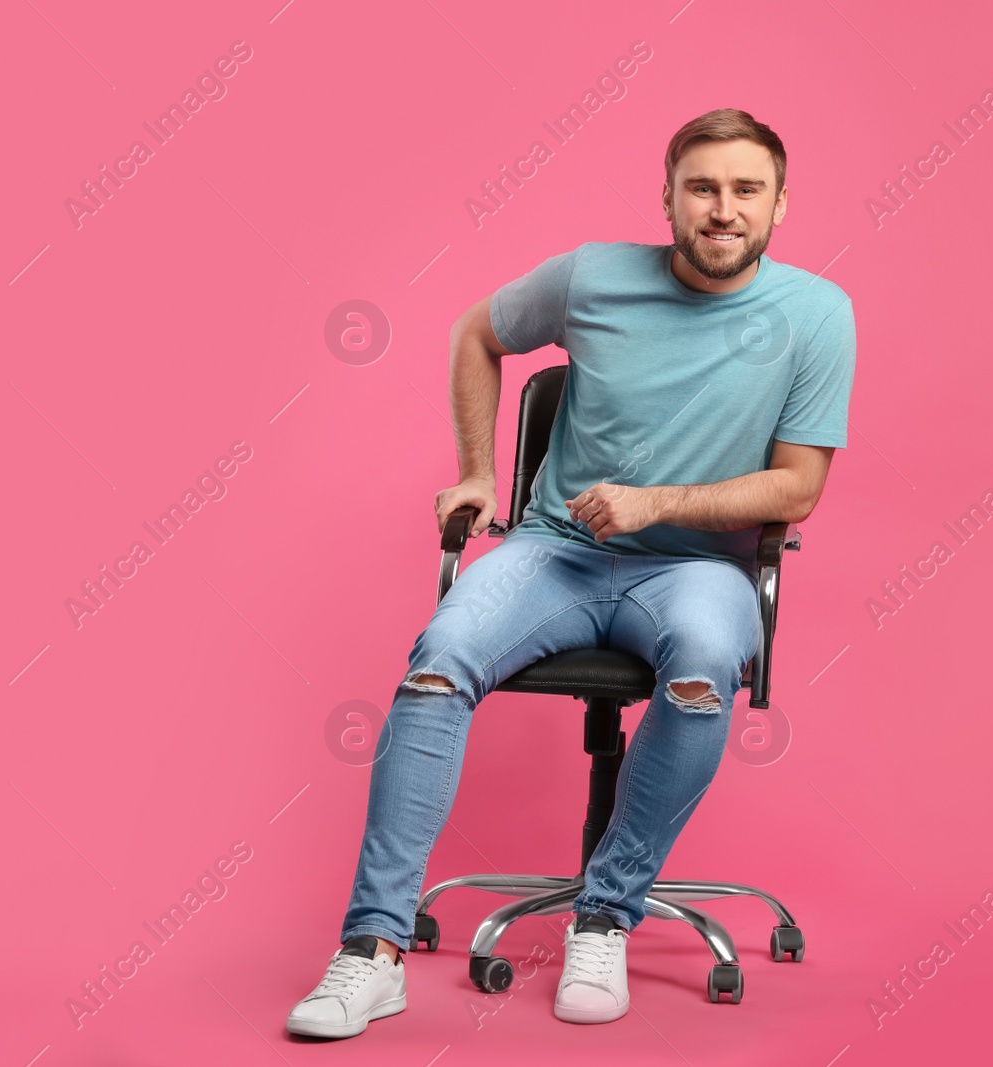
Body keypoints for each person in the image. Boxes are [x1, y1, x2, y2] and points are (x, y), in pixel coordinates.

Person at [286, 108, 856, 1039]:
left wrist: (653, 502)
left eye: (746, 190)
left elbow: (798, 486)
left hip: (695, 567)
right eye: (702, 187)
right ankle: (372, 951)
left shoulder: (816, 315)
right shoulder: (594, 275)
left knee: (707, 662)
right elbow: (479, 332)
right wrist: (478, 469)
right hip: (555, 552)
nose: (723, 210)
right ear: (667, 196)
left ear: (780, 204)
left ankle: (605, 912)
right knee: (438, 659)